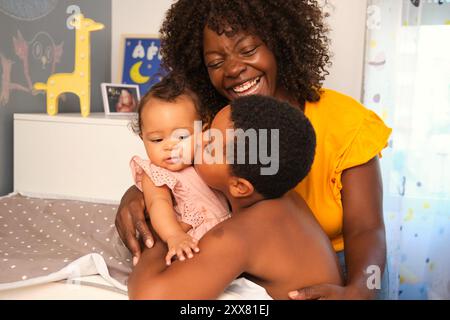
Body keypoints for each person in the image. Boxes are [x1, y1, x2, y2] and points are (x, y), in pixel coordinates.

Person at [116, 0, 392, 299]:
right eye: (216, 62)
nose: (234, 68)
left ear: (280, 42)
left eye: (248, 50)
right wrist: (148, 193)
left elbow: (367, 229)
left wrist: (363, 290)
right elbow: (178, 167)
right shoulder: (223, 119)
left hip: (353, 275)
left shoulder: (343, 121)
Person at [128, 95, 343, 300]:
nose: (199, 138)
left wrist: (162, 232)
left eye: (210, 144)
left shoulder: (239, 235)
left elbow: (150, 296)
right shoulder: (287, 198)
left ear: (239, 186)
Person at [129, 75, 230, 266]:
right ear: (143, 138)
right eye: (157, 140)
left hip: (227, 233)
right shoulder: (156, 173)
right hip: (191, 242)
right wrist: (174, 236)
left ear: (202, 132)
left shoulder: (205, 159)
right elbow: (158, 205)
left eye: (181, 136)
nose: (170, 146)